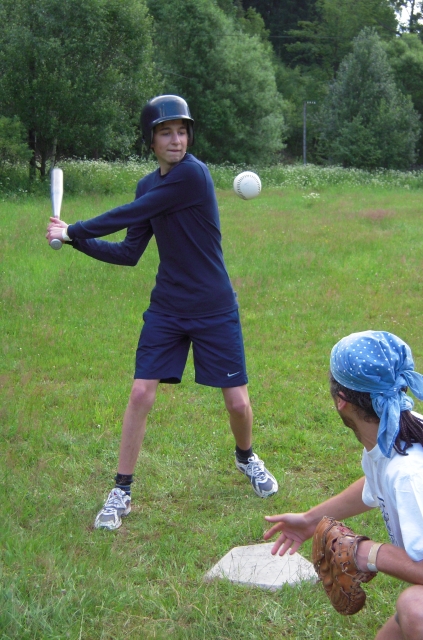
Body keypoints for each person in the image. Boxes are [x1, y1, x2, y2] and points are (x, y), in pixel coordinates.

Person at [46, 94, 278, 531]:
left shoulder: (193, 175)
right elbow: (129, 252)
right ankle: (122, 489)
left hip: (213, 307)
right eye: (166, 133)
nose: (176, 140)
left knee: (237, 402)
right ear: (150, 141)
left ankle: (246, 456)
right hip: (168, 307)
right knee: (140, 393)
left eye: (182, 131)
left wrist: (72, 229)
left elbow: (131, 213)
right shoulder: (147, 186)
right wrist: (75, 242)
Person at [264, 330, 423, 640]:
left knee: (420, 610)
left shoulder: (410, 475)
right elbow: (378, 481)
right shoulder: (400, 428)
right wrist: (311, 520)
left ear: (341, 401)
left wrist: (369, 553)